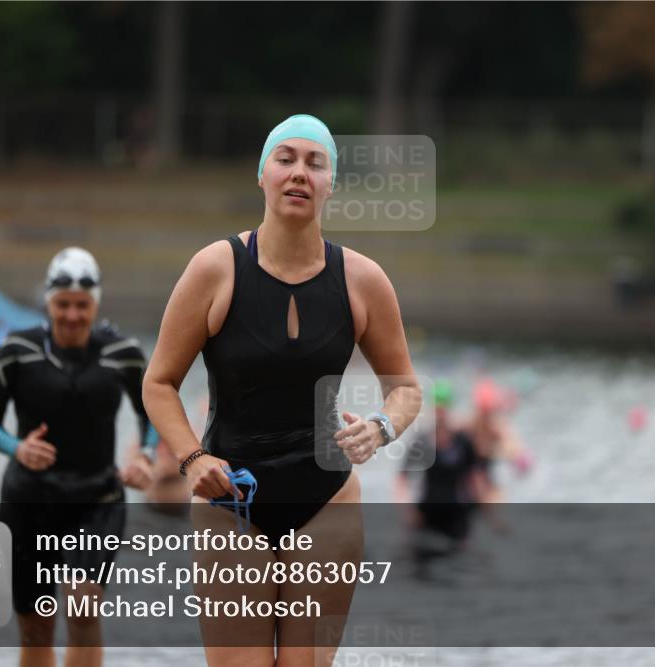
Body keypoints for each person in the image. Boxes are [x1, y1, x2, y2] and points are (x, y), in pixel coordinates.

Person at [143, 114, 421, 666]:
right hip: (231, 503)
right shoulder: (215, 269)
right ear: (263, 174)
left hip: (327, 500)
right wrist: (192, 457)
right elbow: (159, 383)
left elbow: (406, 389)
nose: (299, 173)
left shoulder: (363, 279)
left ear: (330, 184)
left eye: (315, 163)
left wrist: (381, 427)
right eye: (286, 159)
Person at [0, 247, 157, 667]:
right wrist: (17, 447)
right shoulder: (15, 351)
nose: (72, 315)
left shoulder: (122, 353)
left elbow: (153, 413)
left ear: (96, 304)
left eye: (82, 306)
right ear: (48, 302)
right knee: (37, 629)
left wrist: (145, 456)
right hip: (29, 500)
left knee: (83, 603)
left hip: (97, 500)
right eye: (63, 305)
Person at [396, 380, 483, 571]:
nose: (440, 412)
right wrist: (408, 509)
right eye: (437, 407)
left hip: (457, 512)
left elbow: (474, 476)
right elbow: (401, 478)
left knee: (460, 562)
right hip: (427, 512)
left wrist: (487, 510)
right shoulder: (422, 441)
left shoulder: (463, 441)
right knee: (422, 564)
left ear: (450, 408)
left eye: (444, 408)